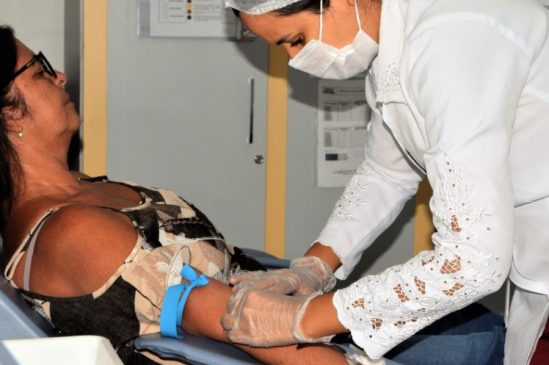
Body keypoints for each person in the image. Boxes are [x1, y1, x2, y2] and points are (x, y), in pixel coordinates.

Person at [221, 0, 549, 364]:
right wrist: (312, 269)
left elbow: (471, 260)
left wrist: (305, 319)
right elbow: (387, 171)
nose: (295, 60)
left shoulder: (452, 37)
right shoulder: (396, 44)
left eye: (295, 40)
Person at [0, 25, 352, 365]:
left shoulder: (79, 189)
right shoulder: (72, 233)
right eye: (40, 71)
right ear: (8, 114)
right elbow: (241, 324)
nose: (59, 76)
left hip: (306, 320)